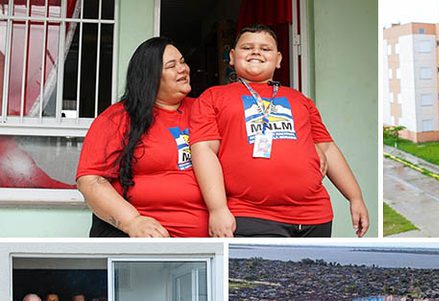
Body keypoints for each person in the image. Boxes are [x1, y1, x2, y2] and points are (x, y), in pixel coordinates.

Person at [190, 24, 369, 238]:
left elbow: (328, 148)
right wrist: (217, 209)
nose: (256, 51)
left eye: (265, 49)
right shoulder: (213, 97)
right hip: (251, 214)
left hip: (315, 215)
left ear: (279, 59)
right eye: (247, 47)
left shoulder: (299, 99)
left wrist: (355, 197)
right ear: (232, 56)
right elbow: (204, 151)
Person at [77, 37, 208, 237]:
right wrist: (133, 222)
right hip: (140, 239)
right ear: (150, 76)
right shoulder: (117, 118)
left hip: (204, 244)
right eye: (171, 65)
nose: (183, 69)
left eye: (182, 61)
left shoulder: (205, 110)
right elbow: (91, 180)